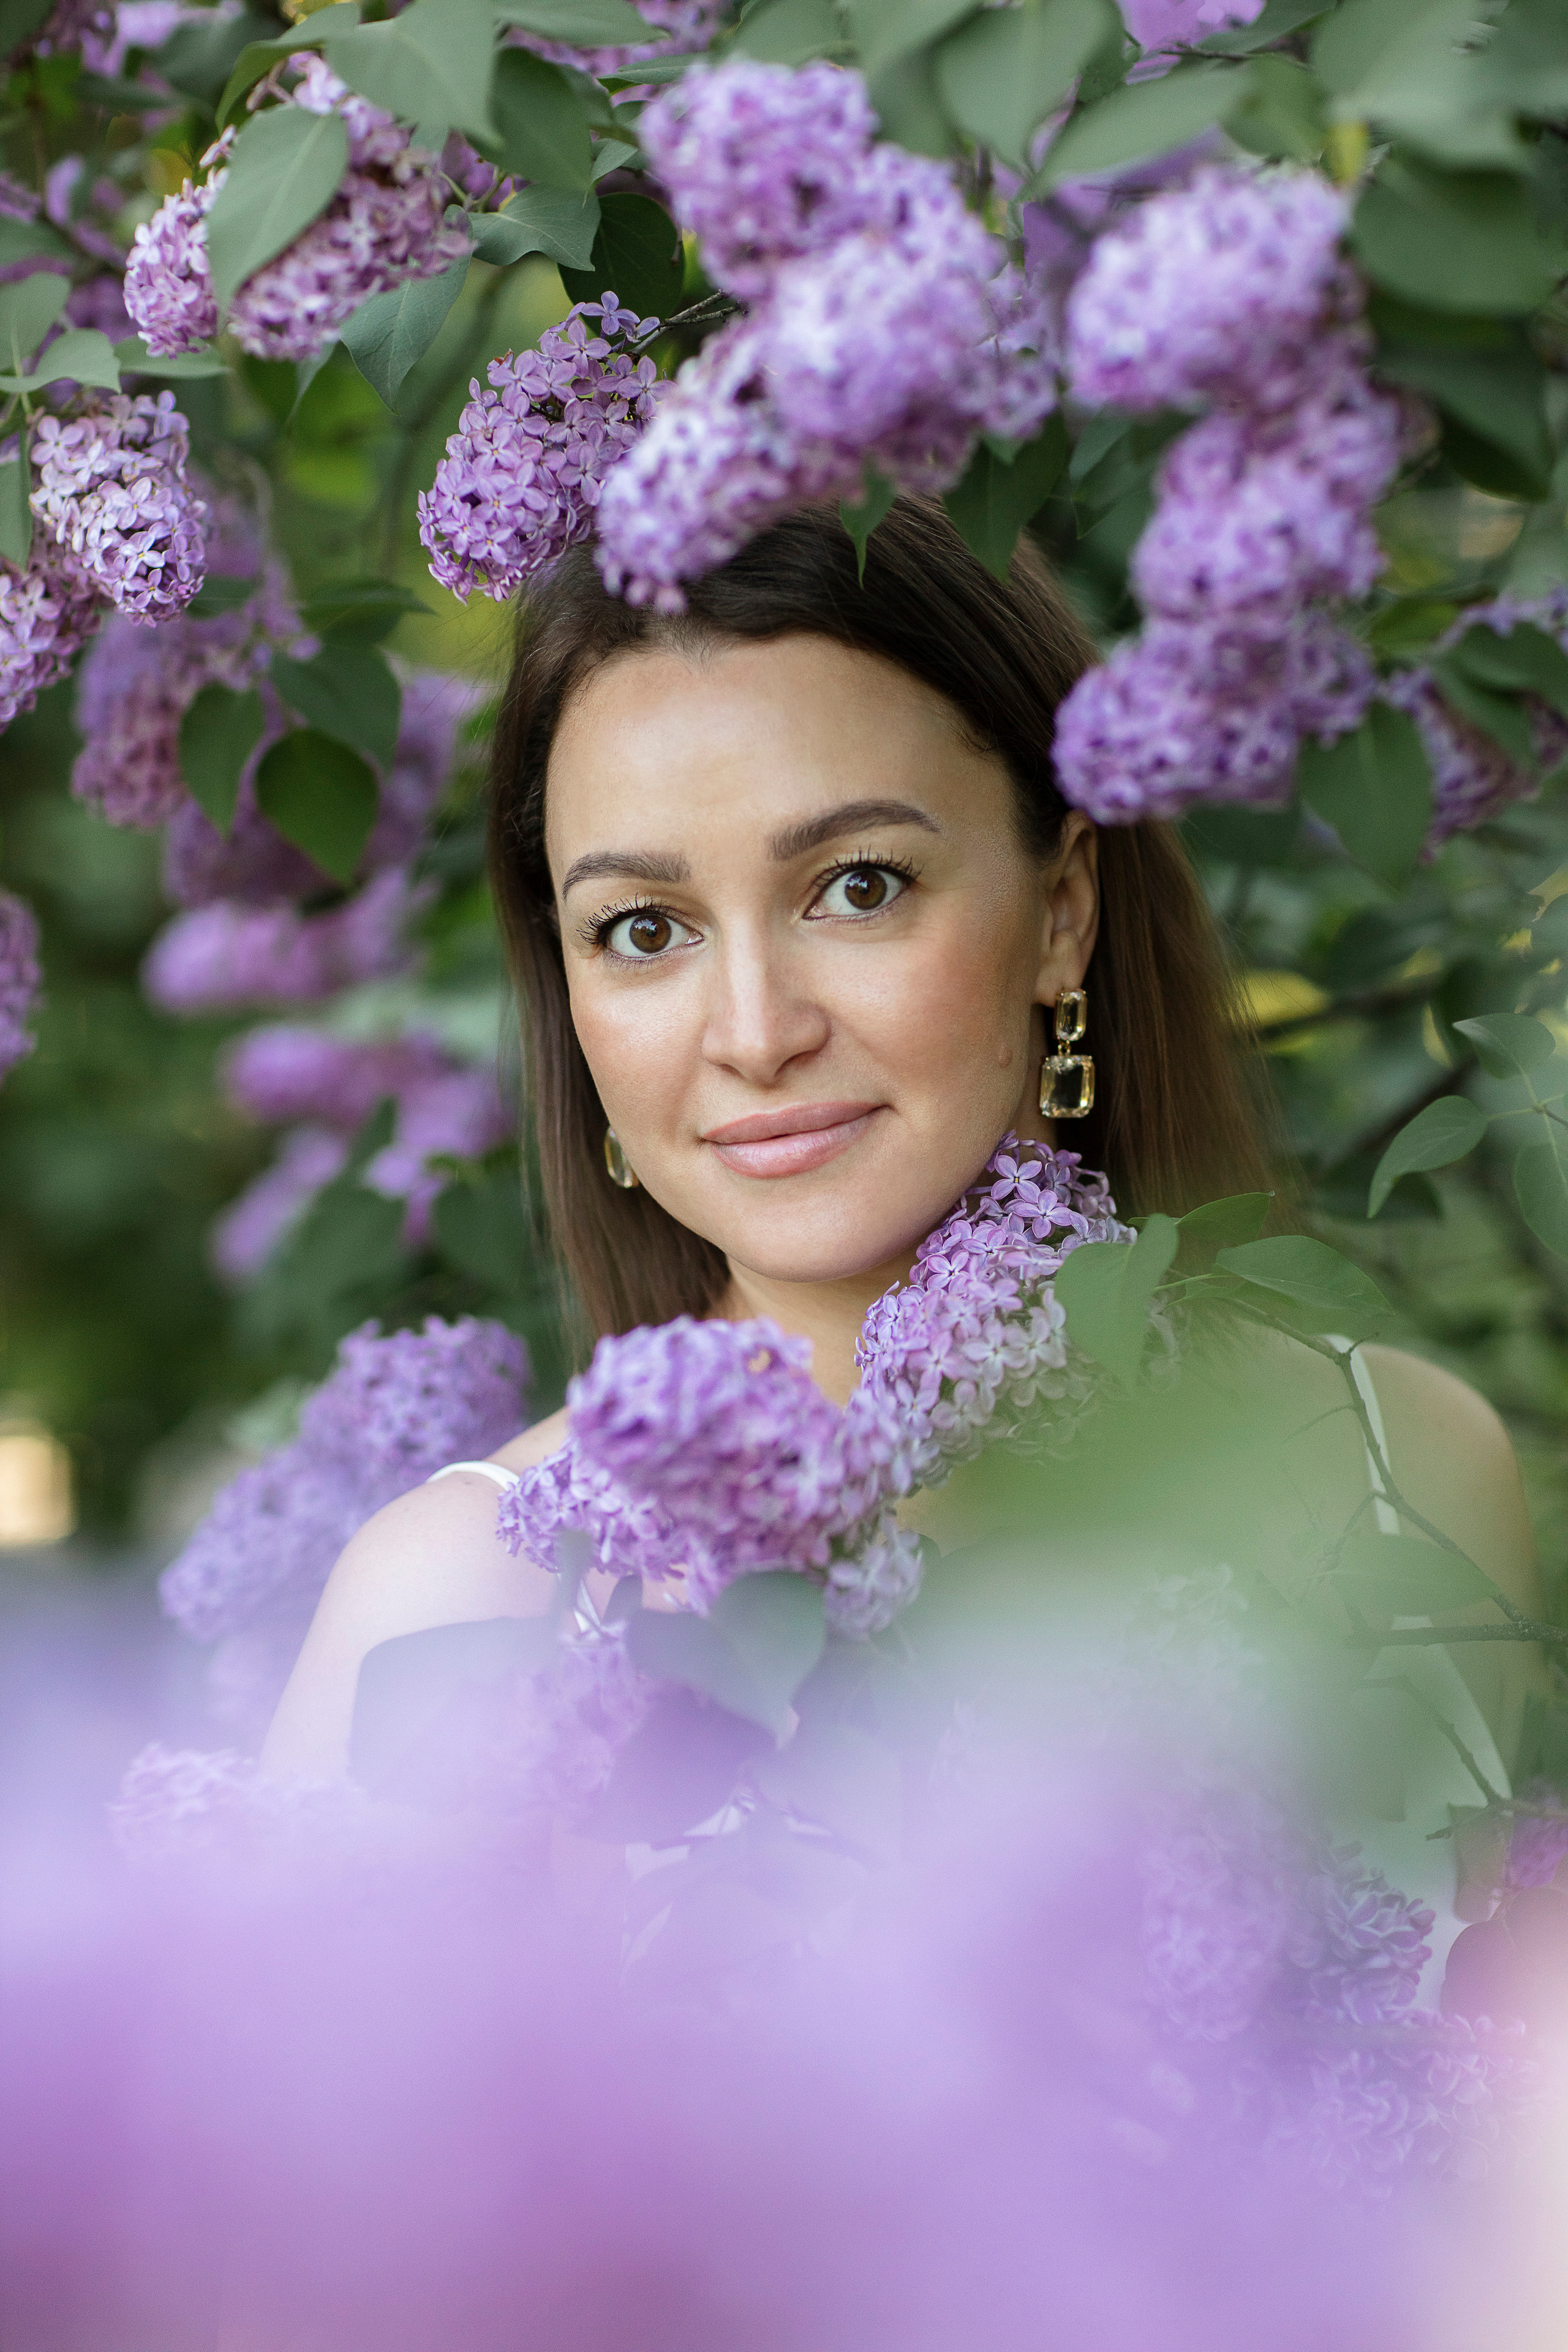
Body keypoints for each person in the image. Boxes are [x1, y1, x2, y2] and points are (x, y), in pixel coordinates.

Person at [262, 500, 1542, 1911]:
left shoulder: (1397, 1463)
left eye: (856, 887)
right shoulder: (457, 1605)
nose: (755, 1032)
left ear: (1060, 911)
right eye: (644, 929)